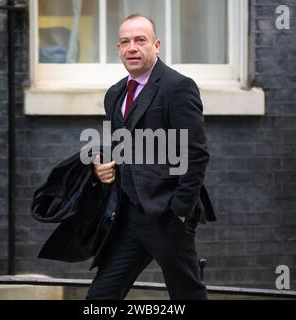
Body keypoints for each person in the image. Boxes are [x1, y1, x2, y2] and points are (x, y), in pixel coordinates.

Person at [87, 14, 215, 300]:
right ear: (119, 49)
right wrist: (100, 164)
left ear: (156, 45)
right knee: (100, 296)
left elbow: (195, 154)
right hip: (128, 216)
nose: (132, 47)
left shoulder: (177, 87)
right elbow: (115, 146)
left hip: (168, 216)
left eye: (140, 40)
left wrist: (180, 211)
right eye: (125, 42)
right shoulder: (115, 94)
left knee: (187, 295)